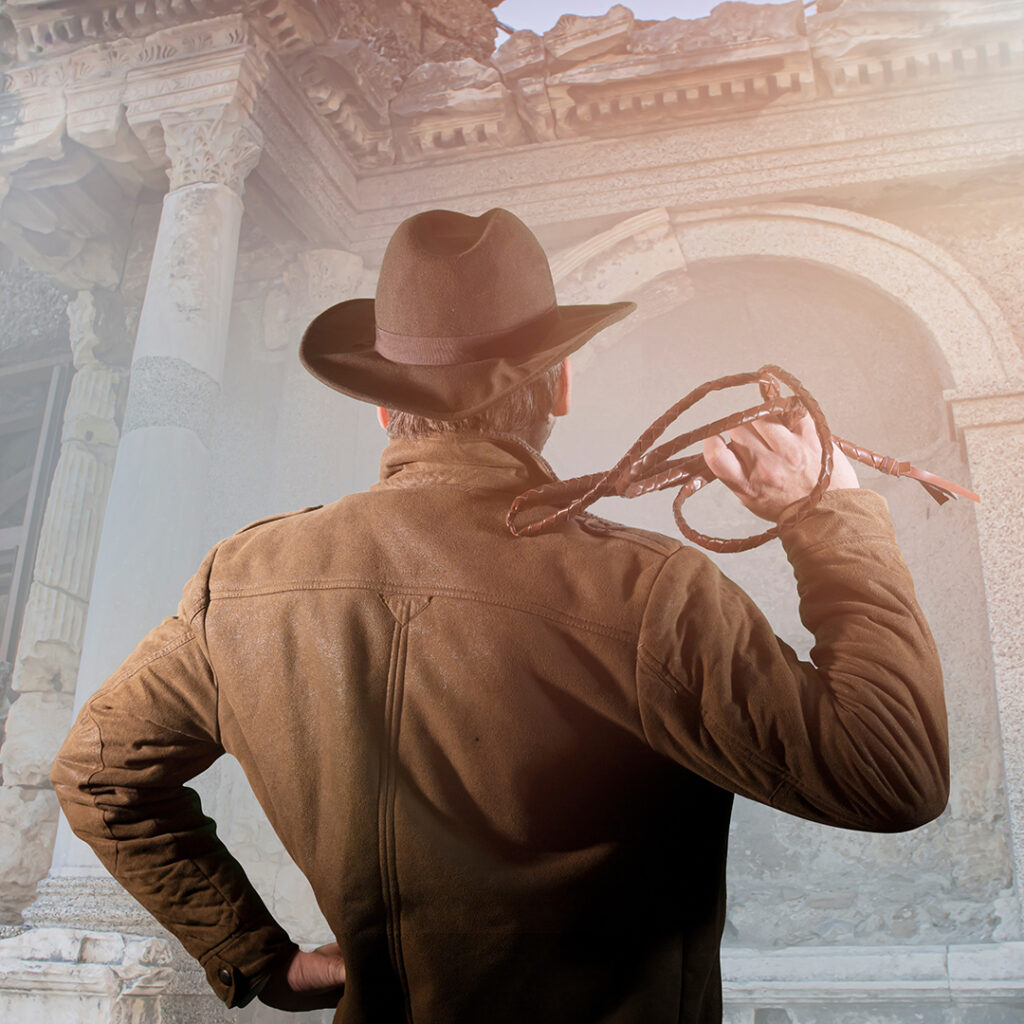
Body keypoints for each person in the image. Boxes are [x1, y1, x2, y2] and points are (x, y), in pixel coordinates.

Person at [51, 207, 949, 1023]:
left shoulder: (242, 578)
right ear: (558, 386)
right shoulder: (645, 591)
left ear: (380, 406)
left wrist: (261, 959)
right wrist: (825, 515)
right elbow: (890, 773)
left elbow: (97, 777)